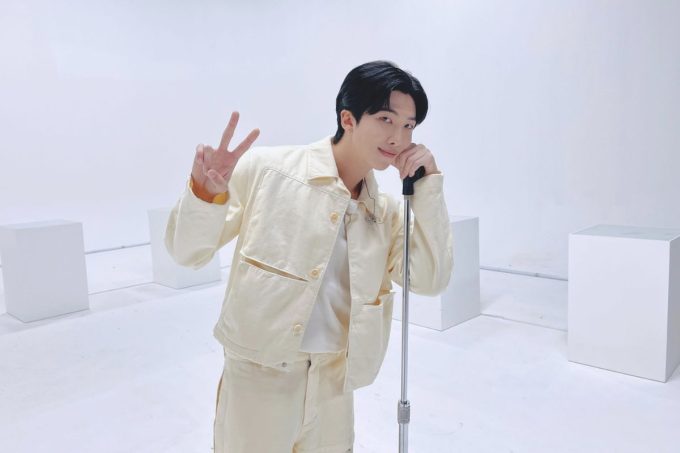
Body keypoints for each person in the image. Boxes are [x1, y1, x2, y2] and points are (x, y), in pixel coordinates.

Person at [165, 60, 453, 453]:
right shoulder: (268, 171)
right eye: (386, 119)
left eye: (408, 125)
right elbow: (187, 253)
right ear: (348, 118)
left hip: (335, 385)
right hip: (260, 380)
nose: (398, 137)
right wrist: (203, 193)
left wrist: (429, 186)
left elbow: (430, 279)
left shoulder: (383, 212)